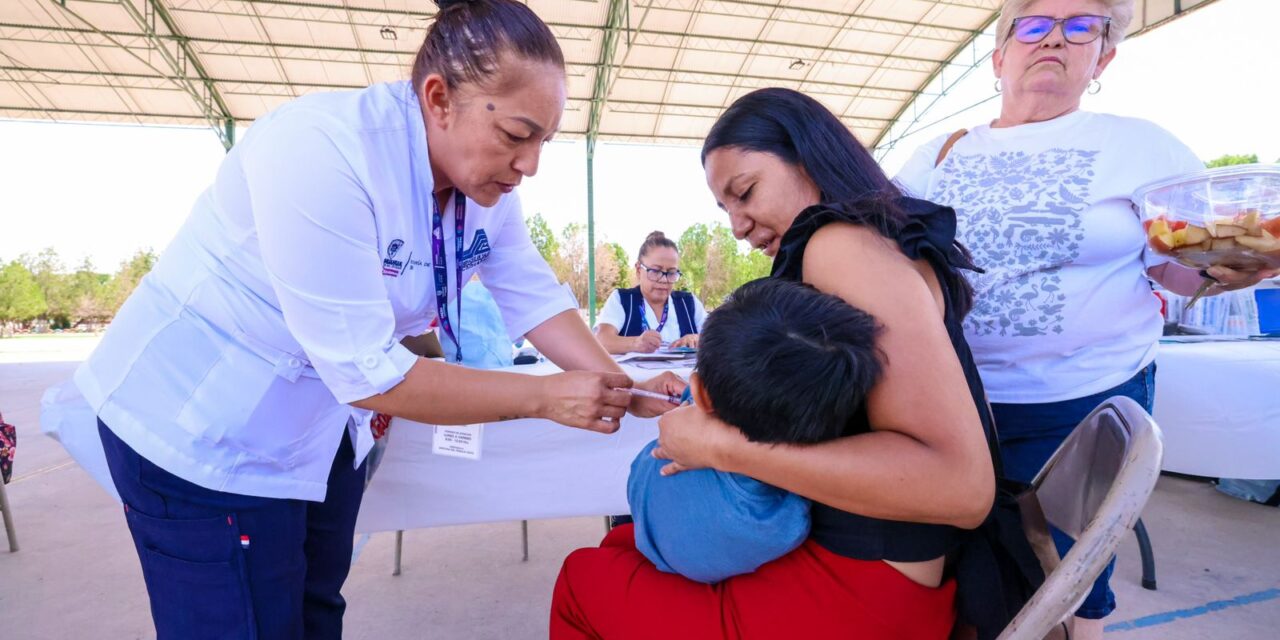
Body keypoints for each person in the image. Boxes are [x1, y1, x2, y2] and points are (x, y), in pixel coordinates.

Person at [68, 1, 681, 638]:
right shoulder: (319, 150)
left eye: (544, 143)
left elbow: (533, 298)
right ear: (439, 99)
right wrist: (544, 397)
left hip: (320, 425)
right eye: (517, 136)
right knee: (247, 620)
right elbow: (371, 373)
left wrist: (622, 386)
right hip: (208, 427)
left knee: (313, 609)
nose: (530, 166)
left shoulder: (486, 190)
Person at [553, 88, 1038, 640]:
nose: (737, 225)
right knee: (623, 544)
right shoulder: (883, 237)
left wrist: (719, 446)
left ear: (808, 156)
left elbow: (961, 488)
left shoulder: (838, 246)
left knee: (582, 579)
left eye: (746, 192)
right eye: (725, 208)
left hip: (861, 591)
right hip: (898, 578)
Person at [892, 1, 1279, 635]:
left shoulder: (1139, 145)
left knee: (1070, 576)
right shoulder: (934, 156)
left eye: (1081, 28)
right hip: (951, 401)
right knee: (958, 570)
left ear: (1104, 56)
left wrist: (1227, 267)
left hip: (1083, 400)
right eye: (1036, 25)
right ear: (998, 56)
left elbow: (1179, 265)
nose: (1055, 40)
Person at [628, 277, 882, 584]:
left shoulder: (690, 417)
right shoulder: (782, 517)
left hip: (649, 533)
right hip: (691, 562)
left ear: (702, 394)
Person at [594, 231, 707, 354]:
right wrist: (635, 343)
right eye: (655, 271)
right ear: (638, 270)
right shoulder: (622, 300)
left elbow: (719, 338)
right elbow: (601, 340)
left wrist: (698, 338)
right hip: (632, 374)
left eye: (671, 273)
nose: (663, 279)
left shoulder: (688, 303)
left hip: (684, 374)